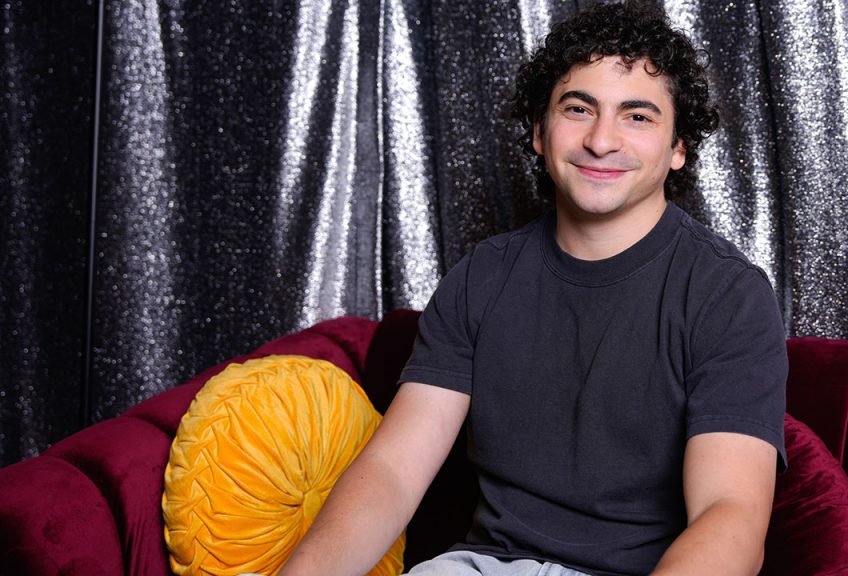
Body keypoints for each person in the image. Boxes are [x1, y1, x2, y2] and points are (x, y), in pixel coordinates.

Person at [281, 2, 787, 575]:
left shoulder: (728, 293)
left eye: (637, 116)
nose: (602, 140)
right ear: (540, 133)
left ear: (678, 148)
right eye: (579, 108)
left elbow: (731, 516)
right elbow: (394, 470)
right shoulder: (482, 276)